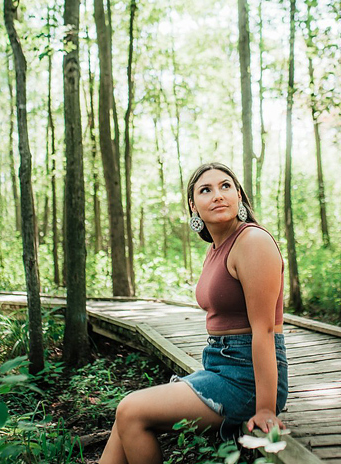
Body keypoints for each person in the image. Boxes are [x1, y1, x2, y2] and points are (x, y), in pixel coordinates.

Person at [99, 162, 288, 464]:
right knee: (124, 418)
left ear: (239, 195)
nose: (218, 195)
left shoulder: (252, 242)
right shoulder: (216, 248)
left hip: (247, 379)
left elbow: (264, 330)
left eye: (225, 186)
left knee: (130, 410)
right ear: (193, 206)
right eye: (206, 190)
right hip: (219, 367)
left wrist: (265, 408)